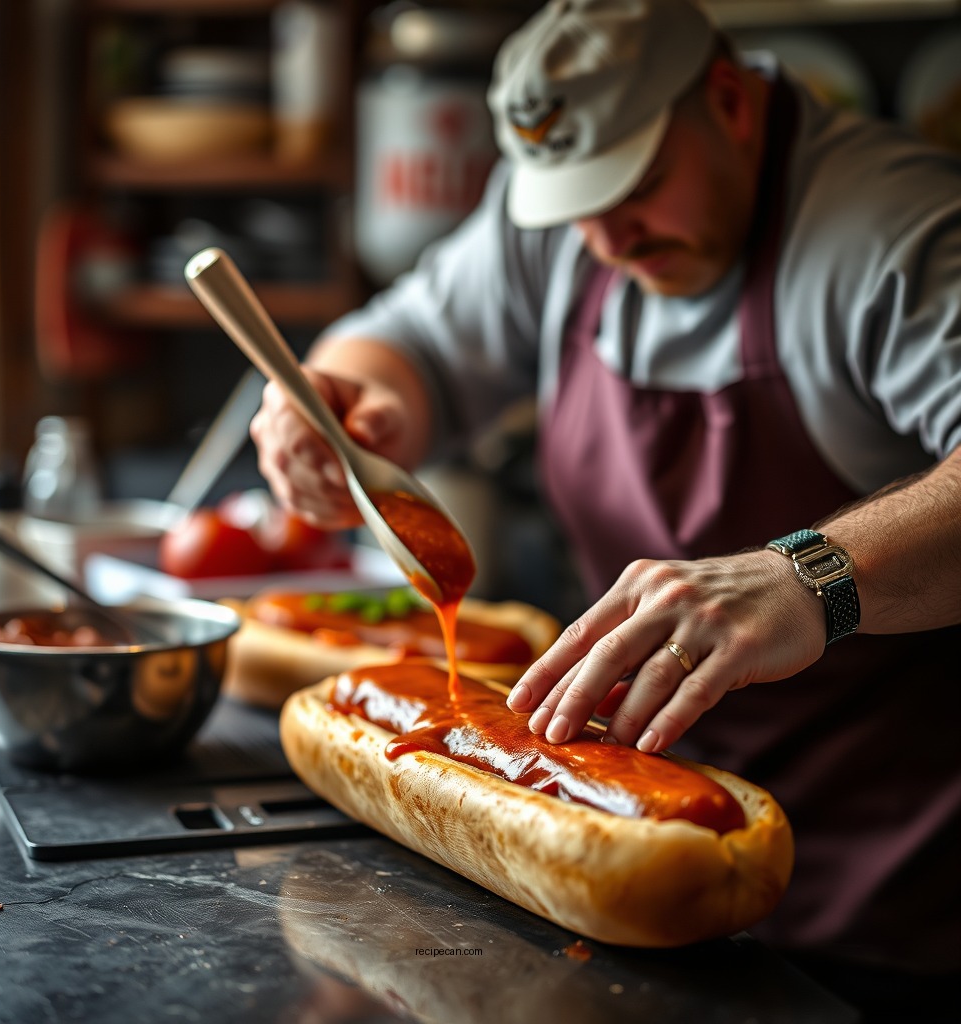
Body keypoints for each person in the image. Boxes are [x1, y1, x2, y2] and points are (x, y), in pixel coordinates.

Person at [249, 1, 961, 1019]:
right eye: (570, 206)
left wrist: (807, 575)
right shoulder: (570, 218)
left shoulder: (895, 230)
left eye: (630, 187)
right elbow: (404, 340)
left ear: (728, 100)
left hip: (886, 904)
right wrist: (352, 403)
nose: (601, 236)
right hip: (623, 876)